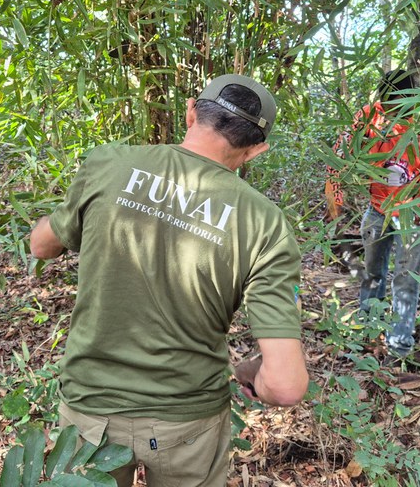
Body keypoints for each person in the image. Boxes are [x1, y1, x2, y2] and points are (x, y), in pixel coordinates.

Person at [30, 74, 309, 486]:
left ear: (192, 111)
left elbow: (42, 245)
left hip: (90, 410)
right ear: (256, 150)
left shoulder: (110, 163)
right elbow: (286, 386)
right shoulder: (265, 223)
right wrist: (254, 373)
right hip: (187, 422)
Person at [324, 69, 420, 361]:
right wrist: (336, 202)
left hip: (413, 215)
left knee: (406, 281)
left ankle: (399, 346)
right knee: (372, 274)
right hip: (377, 208)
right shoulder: (370, 116)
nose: (393, 112)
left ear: (412, 99)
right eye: (388, 106)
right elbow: (340, 155)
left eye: (399, 107)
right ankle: (369, 334)